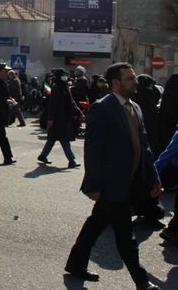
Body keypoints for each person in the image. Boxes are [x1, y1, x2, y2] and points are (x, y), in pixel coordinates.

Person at [65, 63, 161, 290]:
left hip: (130, 182)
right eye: (130, 79)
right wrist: (93, 184)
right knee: (126, 237)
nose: (135, 82)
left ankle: (75, 264)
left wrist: (154, 177)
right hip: (111, 184)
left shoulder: (135, 108)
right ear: (116, 83)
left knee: (95, 225)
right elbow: (93, 149)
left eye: (134, 78)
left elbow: (144, 146)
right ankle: (142, 281)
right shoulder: (102, 108)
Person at [36, 69, 83, 168]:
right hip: (58, 119)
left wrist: (79, 112)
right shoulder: (56, 87)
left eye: (65, 75)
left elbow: (71, 102)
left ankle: (43, 155)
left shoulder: (65, 87)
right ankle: (72, 160)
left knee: (52, 139)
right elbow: (52, 105)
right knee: (64, 139)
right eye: (63, 75)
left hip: (64, 117)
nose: (65, 77)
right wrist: (50, 119)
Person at [155, 129, 178, 244]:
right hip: (173, 171)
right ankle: (172, 230)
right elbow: (166, 155)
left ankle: (172, 229)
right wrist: (152, 175)